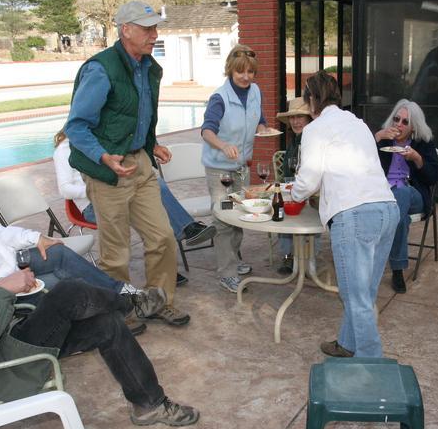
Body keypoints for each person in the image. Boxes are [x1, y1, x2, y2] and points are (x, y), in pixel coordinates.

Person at [0, 192, 199, 426]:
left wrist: (8, 290)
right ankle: (134, 304)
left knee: (105, 323)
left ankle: (149, 404)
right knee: (69, 292)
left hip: (2, 342)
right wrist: (2, 292)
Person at [0, 176, 171, 334]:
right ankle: (125, 306)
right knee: (70, 285)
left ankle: (131, 296)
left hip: (14, 265)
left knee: (58, 252)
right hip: (6, 290)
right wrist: (14, 282)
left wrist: (35, 238)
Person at [64, 0, 189, 326]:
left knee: (162, 237)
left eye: (155, 28)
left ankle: (159, 302)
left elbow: (137, 115)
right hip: (108, 171)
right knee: (116, 251)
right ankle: (118, 312)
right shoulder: (100, 69)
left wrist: (151, 144)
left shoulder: (148, 67)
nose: (154, 35)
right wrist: (103, 156)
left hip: (140, 164)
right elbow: (76, 126)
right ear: (126, 30)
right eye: (147, 29)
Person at [291, 70, 399, 358]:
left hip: (354, 215)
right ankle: (348, 344)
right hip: (387, 209)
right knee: (365, 294)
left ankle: (371, 368)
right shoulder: (358, 123)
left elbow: (308, 181)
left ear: (312, 99)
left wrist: (292, 194)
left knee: (355, 297)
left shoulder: (315, 129)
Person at [53, 129, 216, 286]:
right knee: (145, 215)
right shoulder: (64, 150)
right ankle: (182, 237)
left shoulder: (102, 142)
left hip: (119, 194)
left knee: (154, 188)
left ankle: (182, 238)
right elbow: (65, 189)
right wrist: (102, 188)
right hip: (92, 206)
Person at [201, 44, 267, 293]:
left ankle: (234, 259)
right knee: (223, 219)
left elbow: (260, 118)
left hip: (241, 167)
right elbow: (207, 131)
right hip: (220, 171)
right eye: (240, 71)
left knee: (239, 216)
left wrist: (263, 128)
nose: (246, 77)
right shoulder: (219, 98)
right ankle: (227, 273)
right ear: (230, 69)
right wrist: (223, 145)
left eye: (250, 72)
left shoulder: (256, 91)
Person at [374, 99, 438, 293]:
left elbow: (433, 177)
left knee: (401, 194)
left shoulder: (423, 143)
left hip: (413, 193)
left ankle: (382, 260)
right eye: (396, 119)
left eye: (405, 122)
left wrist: (417, 159)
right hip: (384, 193)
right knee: (399, 216)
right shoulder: (384, 140)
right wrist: (376, 137)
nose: (399, 125)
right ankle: (397, 269)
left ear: (413, 127)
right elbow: (363, 163)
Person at [275, 97, 312, 274]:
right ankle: (290, 256)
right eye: (292, 117)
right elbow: (286, 174)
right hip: (293, 189)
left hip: (312, 192)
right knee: (280, 205)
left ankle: (304, 257)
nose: (295, 121)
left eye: (300, 117)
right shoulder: (294, 141)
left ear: (309, 118)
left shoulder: (312, 139)